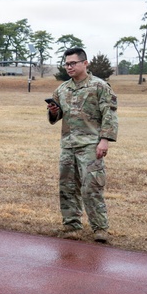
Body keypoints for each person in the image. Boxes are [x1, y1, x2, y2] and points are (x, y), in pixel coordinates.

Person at [47, 47, 118, 242]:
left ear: (85, 63)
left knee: (91, 187)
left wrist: (105, 140)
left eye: (73, 63)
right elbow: (56, 117)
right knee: (67, 186)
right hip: (68, 145)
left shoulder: (99, 86)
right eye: (66, 64)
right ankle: (71, 225)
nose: (69, 67)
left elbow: (109, 114)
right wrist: (53, 111)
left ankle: (100, 228)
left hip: (90, 144)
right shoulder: (62, 89)